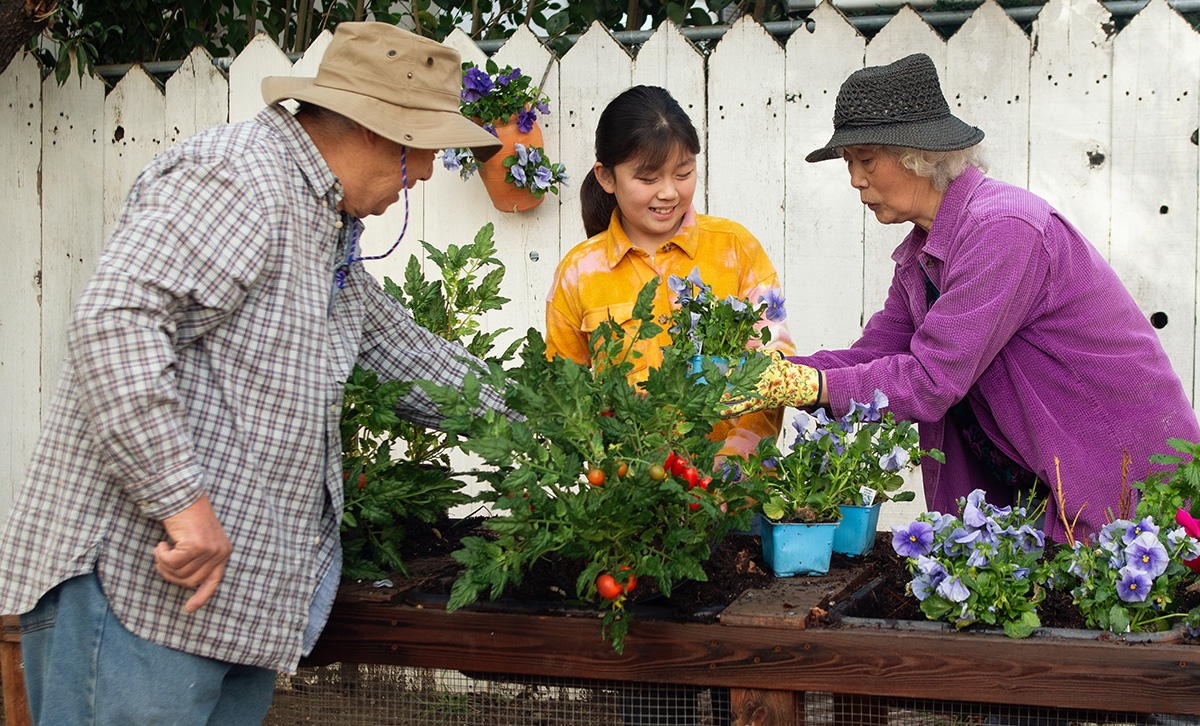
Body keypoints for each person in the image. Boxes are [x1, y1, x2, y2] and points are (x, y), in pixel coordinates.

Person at [0, 23, 512, 725]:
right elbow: (114, 325)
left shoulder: (322, 221)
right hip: (139, 591)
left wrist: (556, 420)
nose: (424, 172)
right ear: (374, 128)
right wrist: (182, 503)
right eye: (422, 151)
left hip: (225, 608)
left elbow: (411, 356)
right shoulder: (240, 178)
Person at [723, 53, 1200, 542]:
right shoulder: (922, 253)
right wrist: (768, 376)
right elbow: (873, 357)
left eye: (865, 160)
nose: (854, 180)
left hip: (1116, 477)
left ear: (918, 156)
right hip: (1038, 484)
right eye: (849, 164)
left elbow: (930, 379)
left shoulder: (1003, 229)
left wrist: (804, 385)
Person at [545, 85, 795, 460]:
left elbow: (776, 365)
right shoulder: (578, 272)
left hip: (736, 493)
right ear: (607, 177)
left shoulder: (734, 247)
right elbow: (564, 392)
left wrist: (733, 465)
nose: (669, 193)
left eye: (683, 173)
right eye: (647, 179)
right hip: (630, 493)